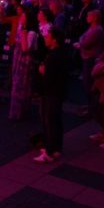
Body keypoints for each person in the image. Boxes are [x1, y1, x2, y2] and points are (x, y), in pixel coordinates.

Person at [33, 26, 67, 163]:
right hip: (58, 92)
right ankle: (56, 147)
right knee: (55, 121)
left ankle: (49, 151)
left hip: (51, 93)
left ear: (55, 40)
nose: (45, 39)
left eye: (48, 37)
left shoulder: (54, 56)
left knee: (50, 121)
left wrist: (42, 72)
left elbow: (49, 77)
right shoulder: (61, 53)